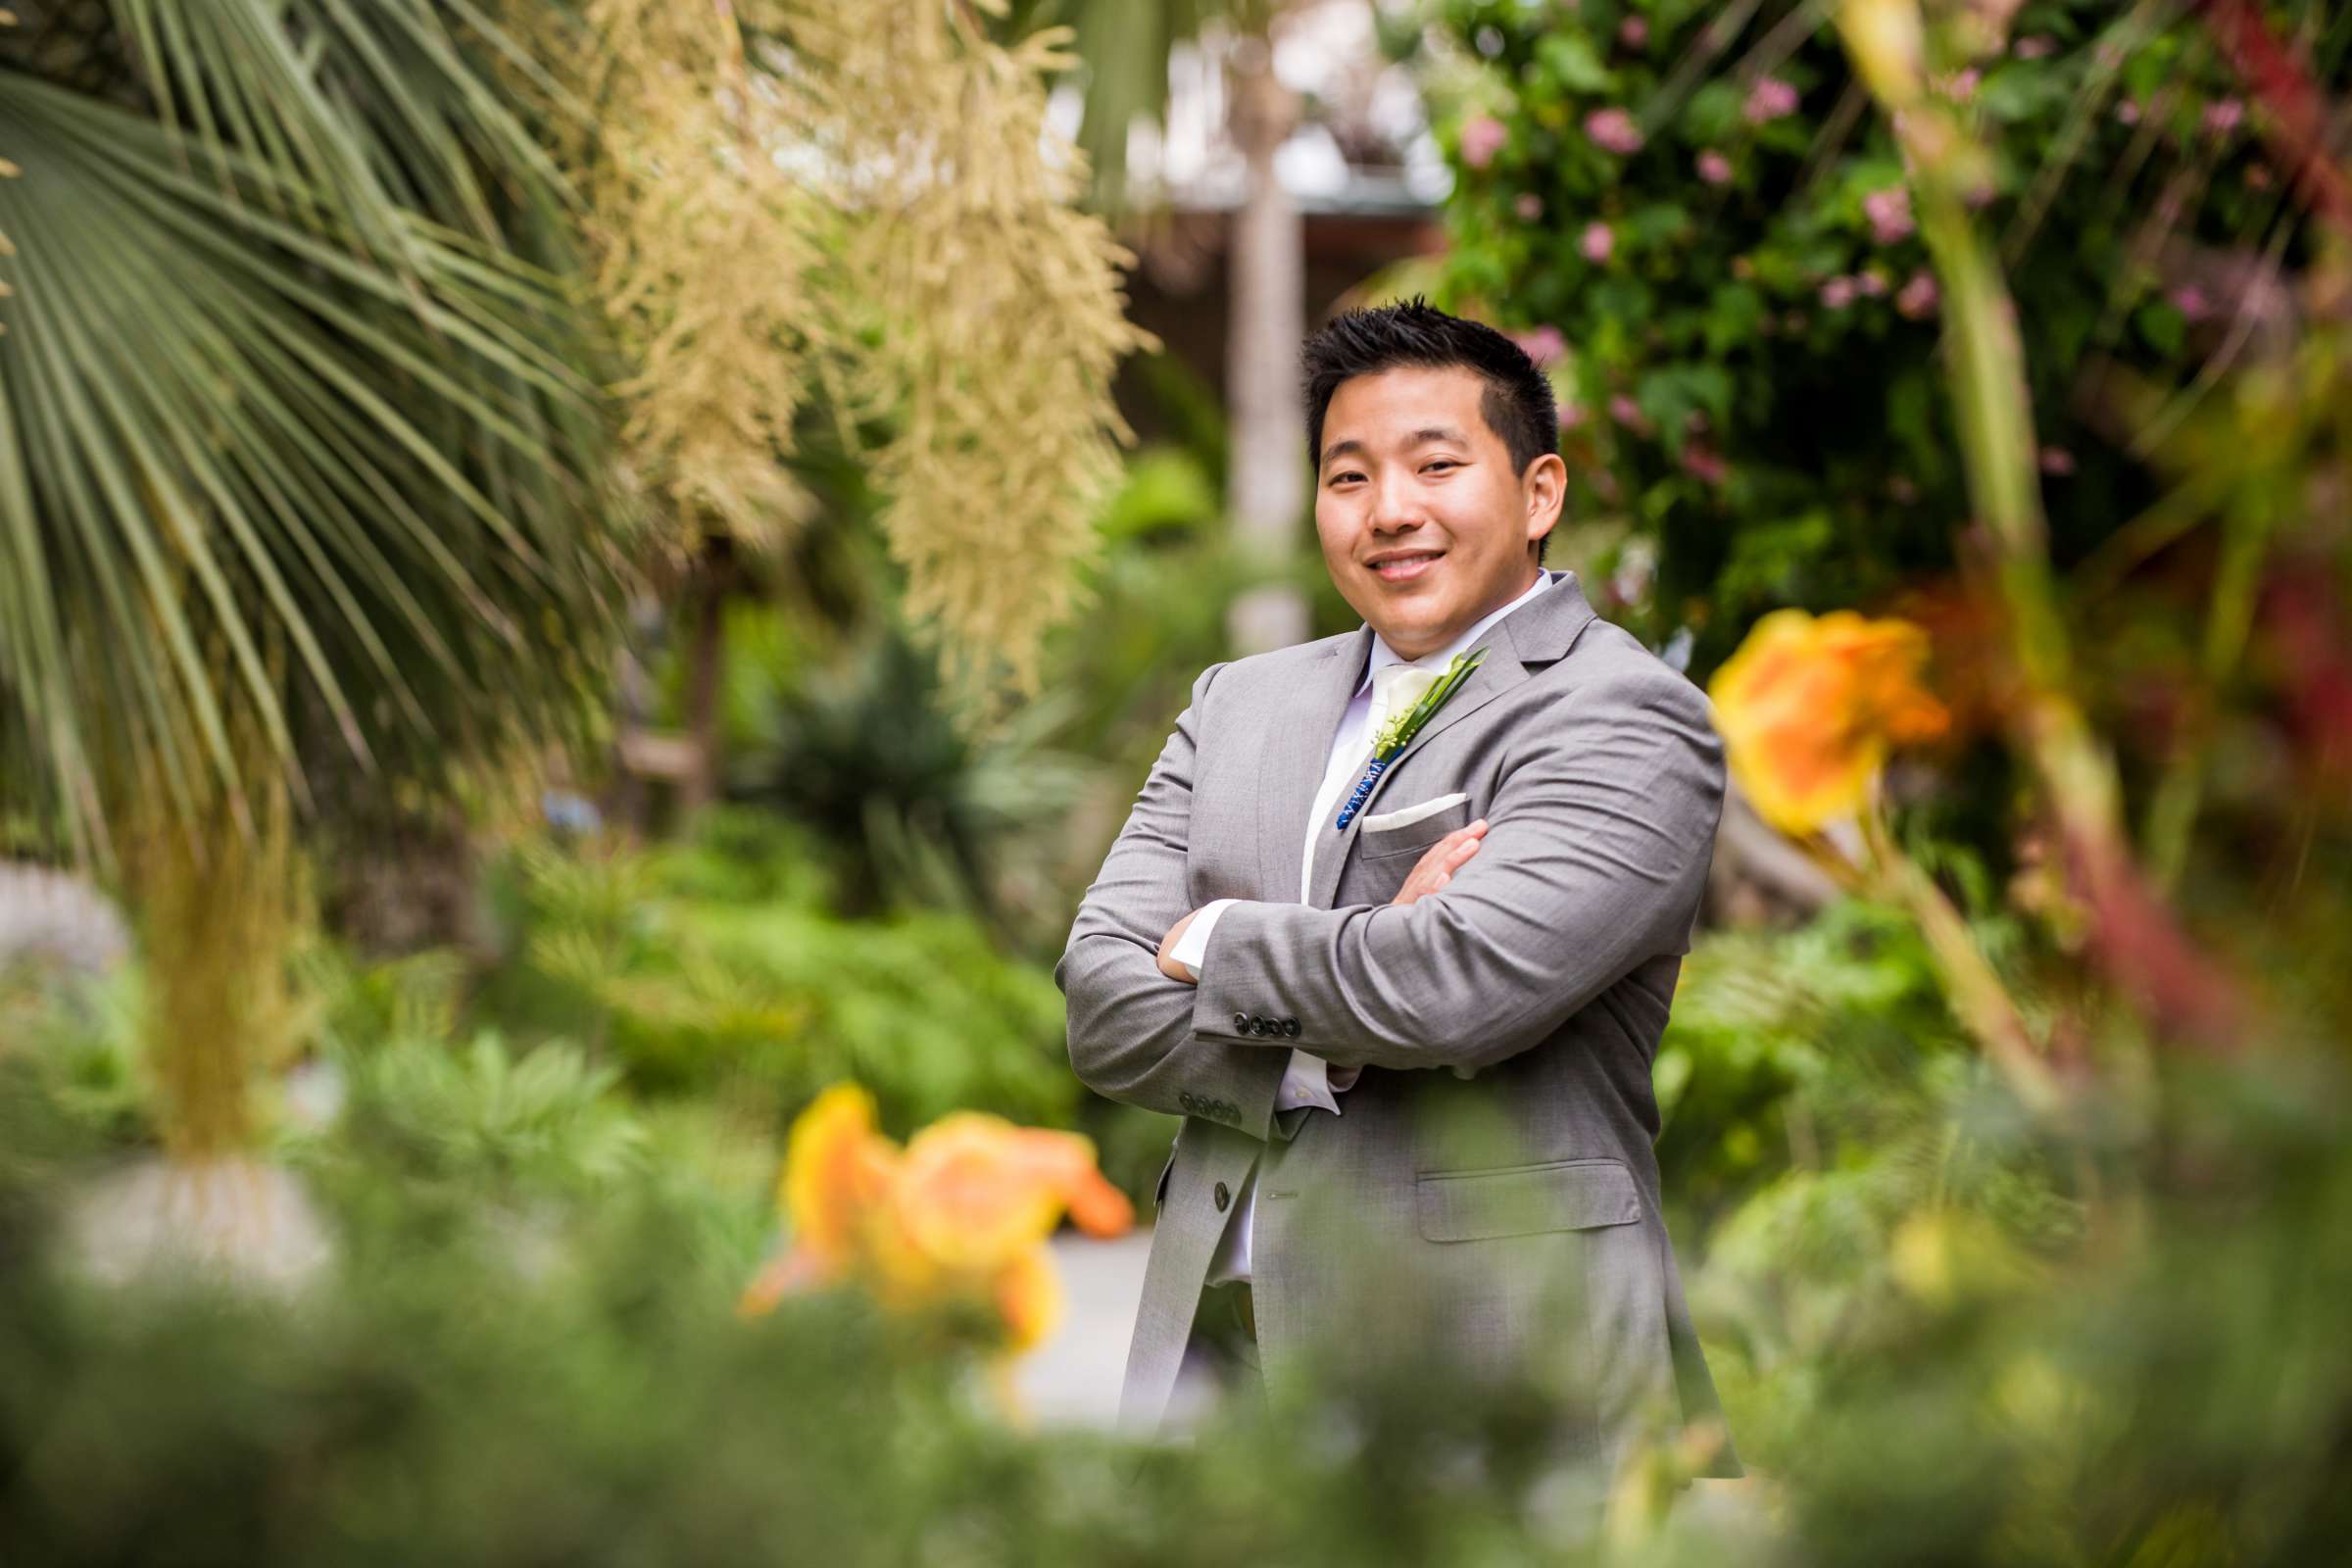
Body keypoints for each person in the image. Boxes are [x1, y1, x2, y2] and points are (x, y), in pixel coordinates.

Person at [1057, 298, 1739, 1480]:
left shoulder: (1623, 714)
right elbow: (1103, 1003)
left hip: (1496, 1355)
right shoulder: (1238, 703)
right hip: (1219, 1353)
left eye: (1436, 465)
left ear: (1538, 493)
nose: (1390, 513)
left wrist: (1213, 934)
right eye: (1349, 476)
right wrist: (1348, 1008)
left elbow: (1459, 984)